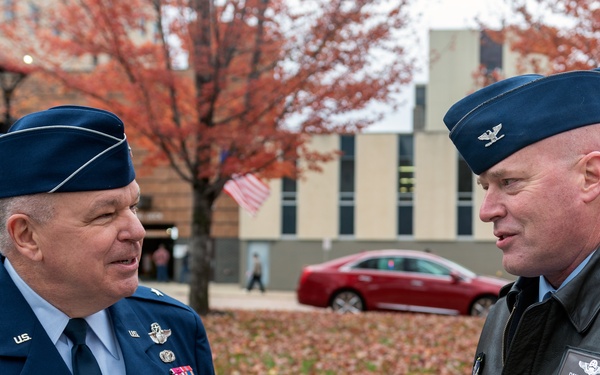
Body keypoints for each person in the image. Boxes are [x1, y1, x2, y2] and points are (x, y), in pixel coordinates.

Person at [0, 105, 215, 374]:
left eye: (133, 207)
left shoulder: (176, 325)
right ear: (27, 236)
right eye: (105, 214)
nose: (137, 231)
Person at [443, 68, 600, 374]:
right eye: (486, 187)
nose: (486, 211)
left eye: (510, 182)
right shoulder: (506, 310)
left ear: (590, 176)